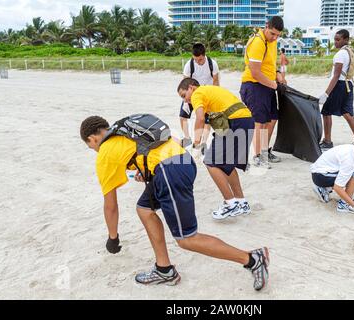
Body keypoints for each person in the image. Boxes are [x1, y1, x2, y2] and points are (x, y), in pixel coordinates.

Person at [79, 115, 270, 291]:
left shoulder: (105, 152)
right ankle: (164, 270)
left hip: (169, 173)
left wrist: (113, 238)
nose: (94, 150)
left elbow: (110, 205)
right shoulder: (124, 130)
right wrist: (148, 170)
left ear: (93, 139)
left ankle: (252, 259)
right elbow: (155, 147)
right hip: (181, 162)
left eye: (91, 147)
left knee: (187, 239)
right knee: (144, 209)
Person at [177, 78, 254, 220]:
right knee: (227, 165)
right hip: (246, 120)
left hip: (235, 121)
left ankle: (230, 204)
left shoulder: (197, 93)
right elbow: (215, 122)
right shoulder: (209, 92)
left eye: (184, 96)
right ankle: (241, 202)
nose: (186, 101)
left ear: (192, 87)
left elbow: (200, 119)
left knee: (211, 162)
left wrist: (196, 143)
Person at [240, 16, 286, 169]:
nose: (275, 38)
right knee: (259, 122)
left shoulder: (272, 41)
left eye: (278, 35)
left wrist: (278, 73)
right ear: (266, 26)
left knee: (272, 119)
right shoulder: (258, 42)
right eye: (272, 34)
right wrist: (274, 84)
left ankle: (265, 151)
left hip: (267, 85)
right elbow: (255, 72)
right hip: (254, 86)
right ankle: (257, 156)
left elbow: (270, 63)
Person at [318, 29, 354, 150]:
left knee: (326, 112)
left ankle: (327, 141)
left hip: (339, 86)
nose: (335, 42)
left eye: (338, 40)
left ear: (346, 40)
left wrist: (326, 94)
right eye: (335, 40)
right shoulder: (350, 51)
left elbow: (336, 75)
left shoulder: (340, 54)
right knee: (347, 113)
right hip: (349, 85)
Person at [180, 43, 220, 148]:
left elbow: (216, 82)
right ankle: (187, 138)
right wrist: (185, 101)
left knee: (207, 120)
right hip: (192, 94)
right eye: (195, 60)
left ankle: (203, 142)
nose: (198, 62)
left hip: (207, 96)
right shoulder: (189, 64)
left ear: (204, 55)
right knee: (182, 116)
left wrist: (215, 98)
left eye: (200, 60)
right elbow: (185, 82)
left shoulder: (212, 64)